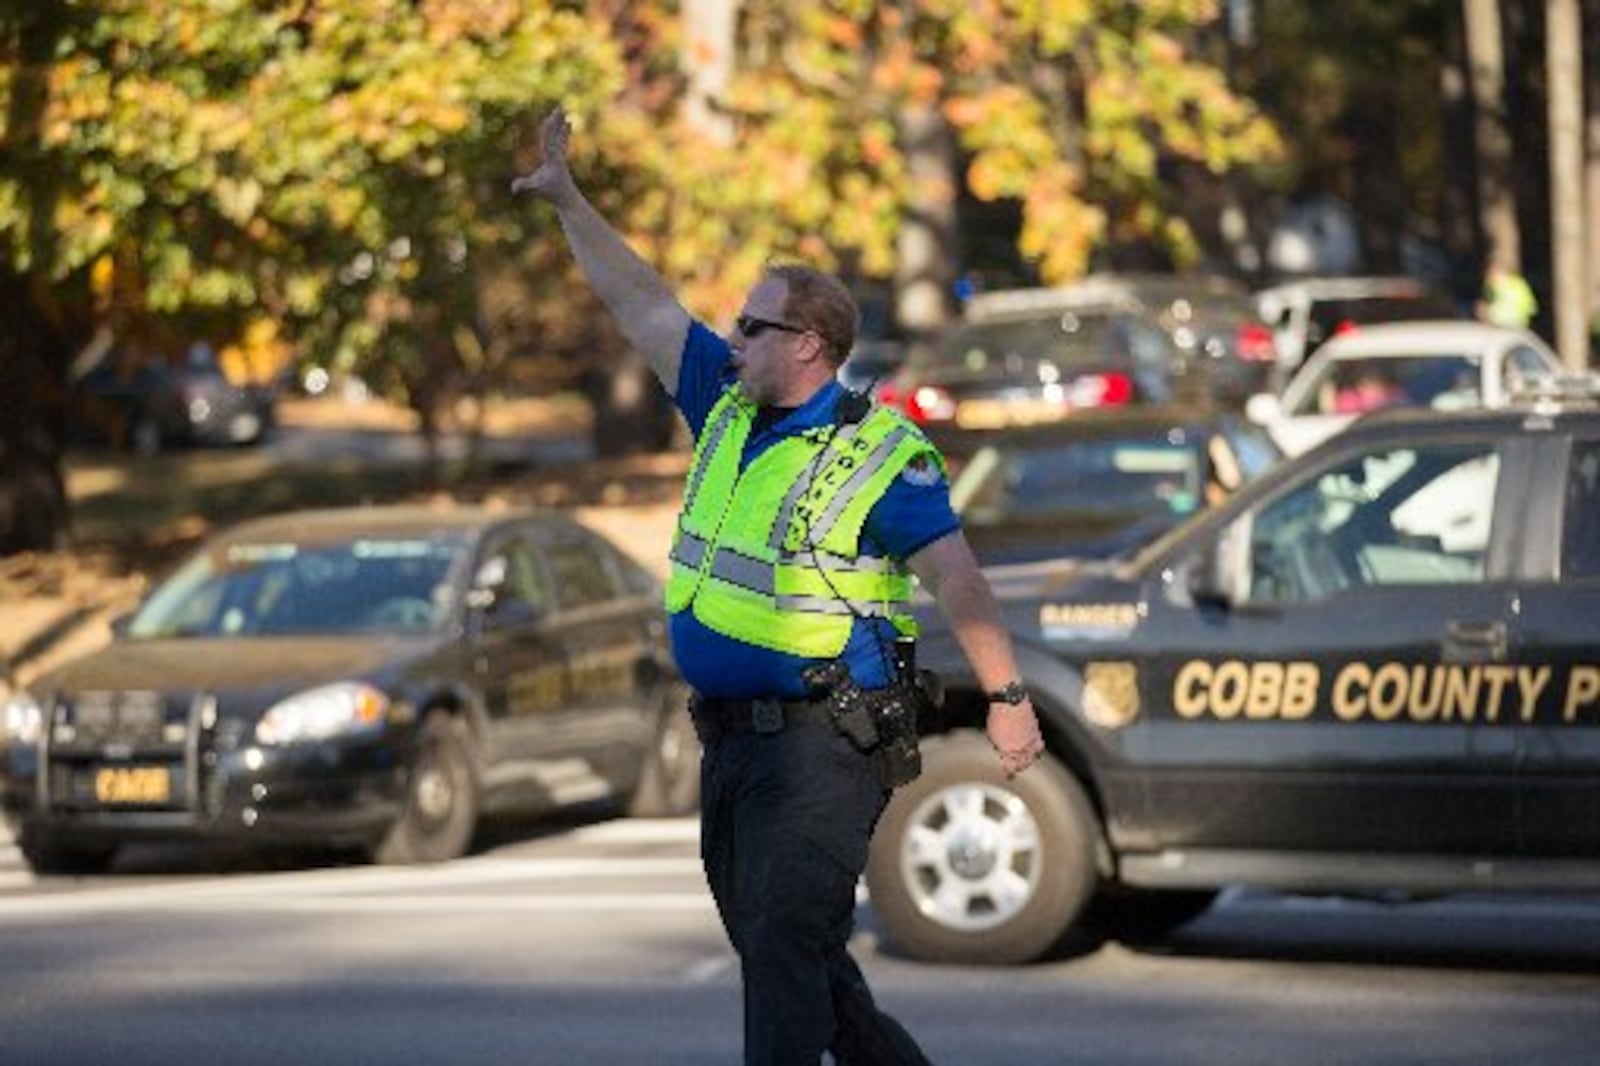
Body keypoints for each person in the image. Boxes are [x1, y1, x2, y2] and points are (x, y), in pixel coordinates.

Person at [513, 107, 1045, 1065]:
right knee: (794, 959)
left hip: (823, 746)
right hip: (730, 747)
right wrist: (567, 200)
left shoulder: (879, 453)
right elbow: (641, 301)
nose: (733, 336)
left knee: (785, 961)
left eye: (753, 325)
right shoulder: (726, 394)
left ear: (807, 344)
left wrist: (1008, 699)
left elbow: (958, 579)